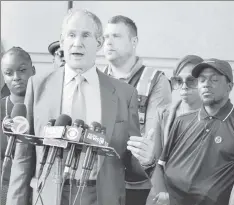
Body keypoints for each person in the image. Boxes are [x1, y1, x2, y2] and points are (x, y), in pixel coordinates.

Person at [6, 9, 155, 205]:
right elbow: (23, 159)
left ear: (99, 43)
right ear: (62, 41)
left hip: (101, 197)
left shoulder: (124, 94)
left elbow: (130, 165)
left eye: (86, 35)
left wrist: (146, 160)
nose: (78, 43)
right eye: (71, 35)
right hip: (49, 196)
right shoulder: (38, 86)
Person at [103, 15, 172, 205]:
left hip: (138, 183)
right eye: (105, 36)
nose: (107, 42)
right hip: (103, 179)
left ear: (134, 42)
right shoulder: (96, 79)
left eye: (116, 36)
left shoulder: (155, 80)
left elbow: (153, 138)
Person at [153, 58, 234, 205]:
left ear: (229, 86)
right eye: (201, 80)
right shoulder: (182, 121)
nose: (206, 84)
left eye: (214, 80)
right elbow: (161, 165)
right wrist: (162, 193)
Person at [146, 55, 203, 205]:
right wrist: (162, 193)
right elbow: (156, 162)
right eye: (178, 81)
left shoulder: (215, 117)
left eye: (191, 81)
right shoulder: (163, 114)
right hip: (164, 196)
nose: (184, 86)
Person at [0, 47, 35, 205]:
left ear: (32, 71)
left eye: (22, 70)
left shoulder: (44, 108)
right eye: (9, 73)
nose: (16, 77)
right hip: (4, 188)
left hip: (37, 187)